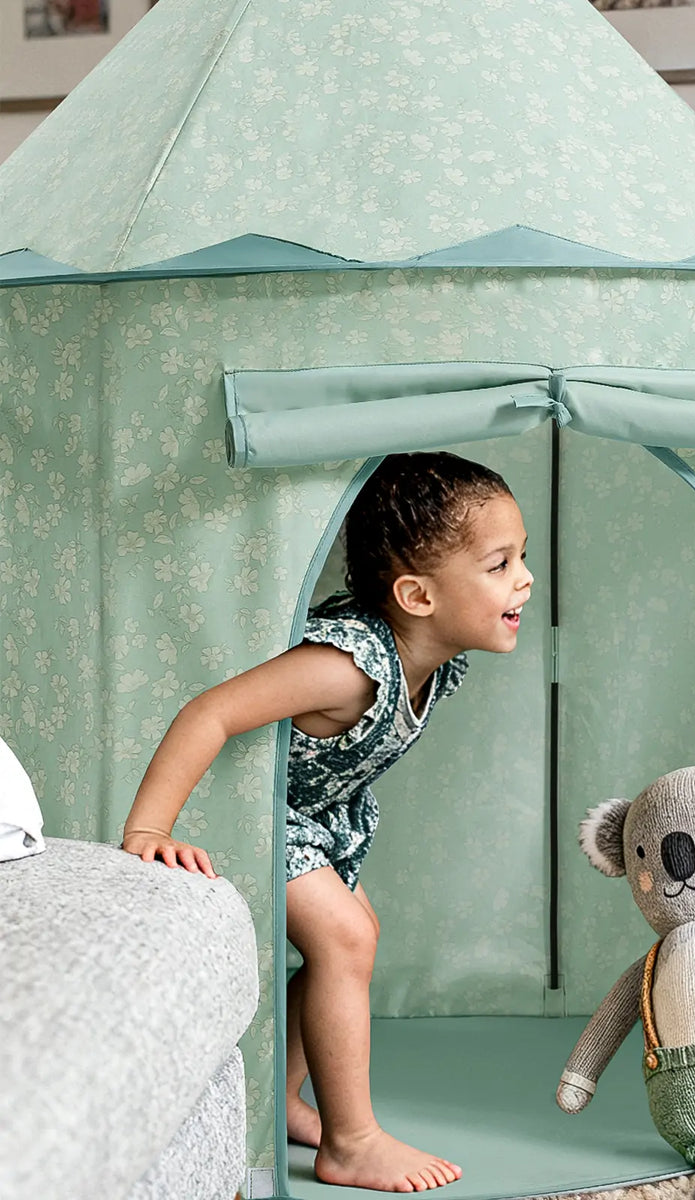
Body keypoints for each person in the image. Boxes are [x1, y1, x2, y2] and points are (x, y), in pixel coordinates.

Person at [122, 451, 533, 1193]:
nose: (524, 580)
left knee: (354, 939)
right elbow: (211, 712)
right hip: (262, 818)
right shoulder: (346, 665)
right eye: (500, 564)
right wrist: (149, 828)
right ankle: (352, 1140)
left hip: (321, 820)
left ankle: (283, 1101)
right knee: (345, 937)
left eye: (521, 558)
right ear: (416, 594)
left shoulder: (430, 661)